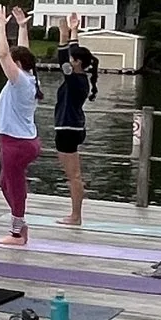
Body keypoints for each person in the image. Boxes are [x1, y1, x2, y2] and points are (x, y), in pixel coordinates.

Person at [0, 7, 41, 247]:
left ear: (18, 65)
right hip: (22, 141)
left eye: (14, 61)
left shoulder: (20, 81)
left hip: (16, 143)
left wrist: (1, 26)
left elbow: (3, 55)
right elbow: (25, 53)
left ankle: (16, 234)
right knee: (5, 182)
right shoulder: (28, 77)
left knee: (15, 184)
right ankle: (20, 224)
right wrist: (22, 27)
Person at [53, 23, 99, 227]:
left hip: (68, 129)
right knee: (74, 175)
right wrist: (73, 31)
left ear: (78, 63)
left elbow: (63, 58)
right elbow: (72, 53)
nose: (70, 61)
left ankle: (75, 216)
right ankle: (76, 212)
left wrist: (63, 37)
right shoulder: (81, 78)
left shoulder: (74, 80)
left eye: (73, 60)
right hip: (74, 128)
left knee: (74, 176)